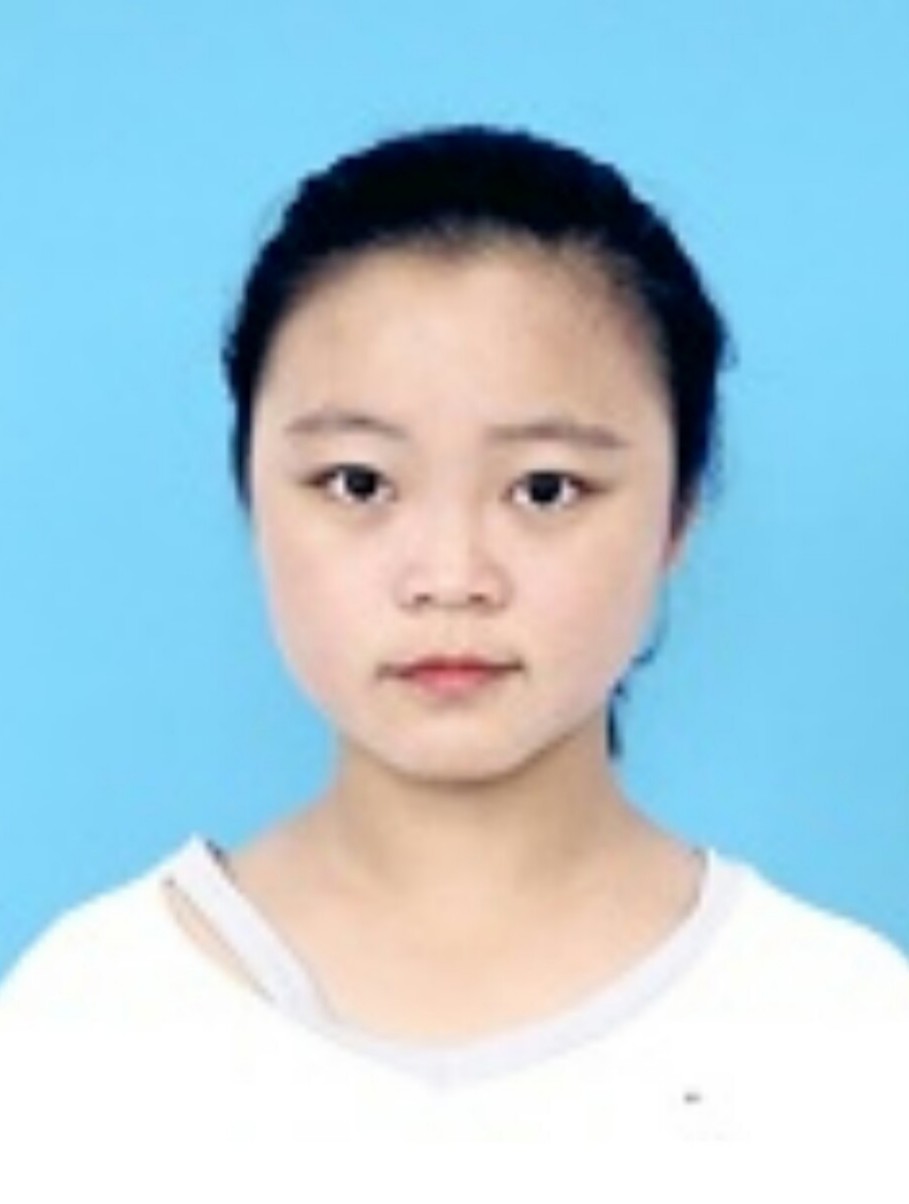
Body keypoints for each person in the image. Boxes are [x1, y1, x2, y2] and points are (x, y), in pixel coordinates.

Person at [1, 126, 907, 1191]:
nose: (449, 576)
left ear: (677, 516)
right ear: (251, 494)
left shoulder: (844, 1038)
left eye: (544, 490)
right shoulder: (88, 1023)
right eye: (357, 483)